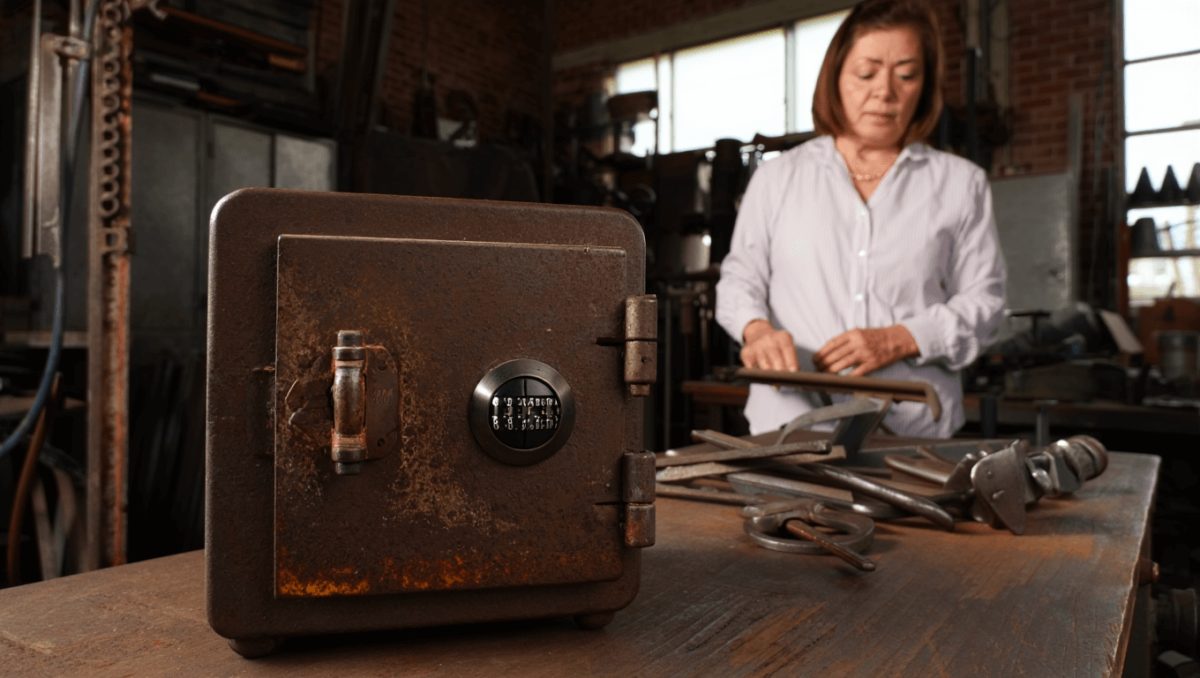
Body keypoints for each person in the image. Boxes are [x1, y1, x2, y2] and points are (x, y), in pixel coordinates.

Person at [715, 0, 1006, 438]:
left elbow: (987, 304)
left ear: (925, 87)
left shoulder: (960, 183)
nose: (885, 93)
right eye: (867, 73)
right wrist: (756, 331)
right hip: (791, 427)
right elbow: (740, 279)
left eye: (906, 75)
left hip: (913, 431)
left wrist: (904, 337)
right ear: (835, 77)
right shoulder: (779, 178)